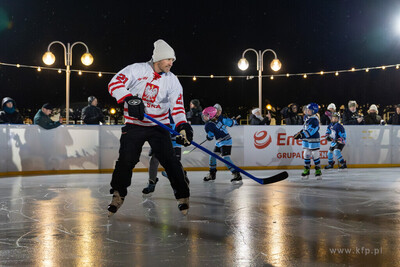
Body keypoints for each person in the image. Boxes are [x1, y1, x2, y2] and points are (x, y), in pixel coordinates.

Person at [106, 39, 193, 216]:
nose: (171, 63)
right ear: (158, 59)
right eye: (168, 59)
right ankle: (118, 194)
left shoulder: (173, 81)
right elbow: (114, 83)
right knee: (126, 160)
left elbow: (177, 107)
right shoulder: (136, 69)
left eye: (172, 60)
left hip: (158, 126)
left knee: (170, 161)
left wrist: (183, 125)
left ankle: (183, 196)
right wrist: (128, 98)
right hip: (135, 125)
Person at [142, 113, 189, 195]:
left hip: (174, 143)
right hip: (160, 140)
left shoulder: (176, 111)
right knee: (154, 160)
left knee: (175, 163)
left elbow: (182, 125)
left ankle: (181, 178)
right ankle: (151, 182)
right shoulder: (159, 110)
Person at [202, 106, 242, 184]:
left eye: (206, 115)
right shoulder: (218, 119)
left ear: (211, 115)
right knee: (212, 156)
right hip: (220, 141)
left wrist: (208, 137)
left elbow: (210, 137)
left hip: (226, 141)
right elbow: (231, 123)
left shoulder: (208, 125)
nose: (204, 117)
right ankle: (212, 174)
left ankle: (236, 173)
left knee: (225, 158)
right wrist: (233, 121)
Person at [294, 103, 322, 179]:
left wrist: (301, 135)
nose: (307, 111)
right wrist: (299, 133)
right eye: (307, 110)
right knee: (306, 153)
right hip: (306, 139)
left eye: (309, 110)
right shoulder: (308, 118)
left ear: (313, 111)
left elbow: (311, 131)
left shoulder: (314, 120)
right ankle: (306, 169)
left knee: (314, 154)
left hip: (313, 139)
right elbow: (305, 128)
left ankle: (318, 170)